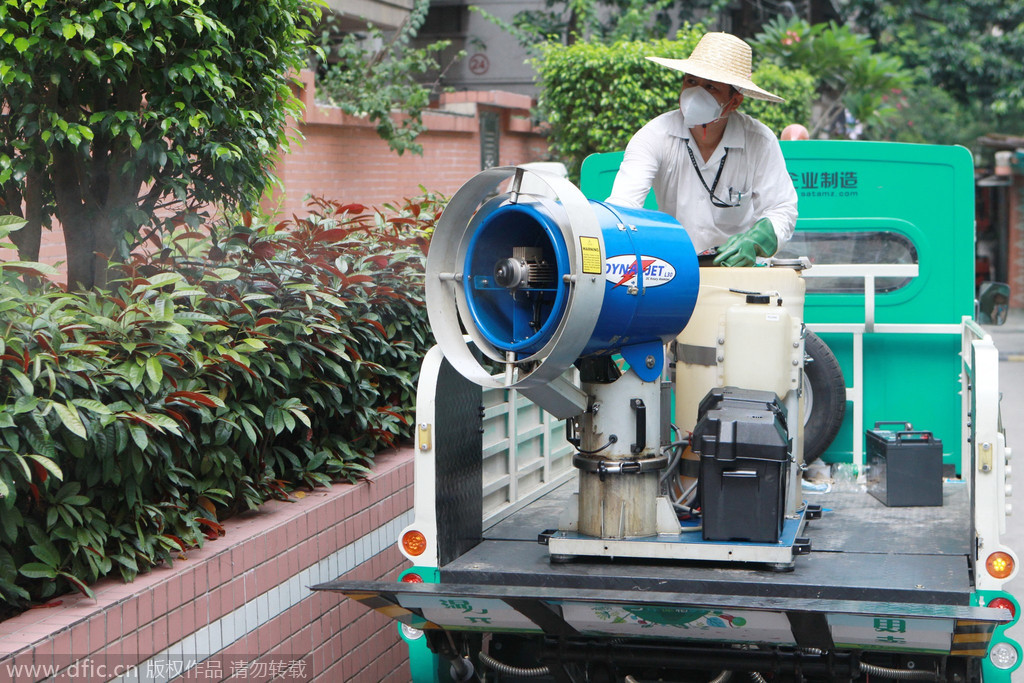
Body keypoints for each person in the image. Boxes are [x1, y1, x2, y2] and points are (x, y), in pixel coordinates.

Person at [607, 32, 798, 267]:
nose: (696, 93)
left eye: (710, 87)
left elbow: (781, 208)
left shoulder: (759, 141)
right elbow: (623, 204)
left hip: (739, 271)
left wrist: (755, 241)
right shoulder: (654, 136)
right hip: (674, 271)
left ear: (735, 101)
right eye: (691, 82)